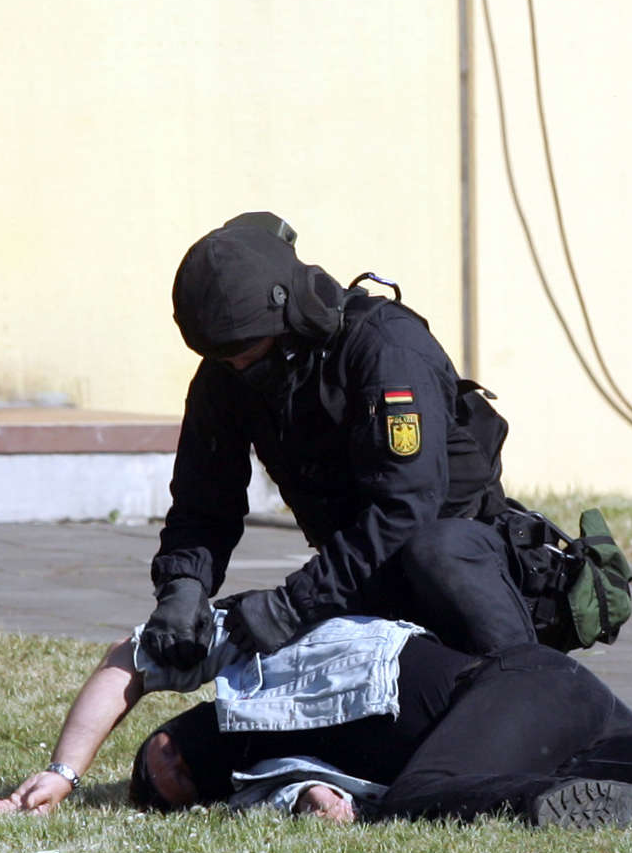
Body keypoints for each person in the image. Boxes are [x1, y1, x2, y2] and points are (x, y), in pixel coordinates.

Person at [0, 612, 632, 827]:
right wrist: (319, 803)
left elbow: (132, 656)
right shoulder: (267, 779)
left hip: (515, 695)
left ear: (177, 727)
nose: (170, 769)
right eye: (173, 789)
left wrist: (66, 772)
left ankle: (567, 803)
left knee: (424, 796)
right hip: (551, 720)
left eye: (160, 757)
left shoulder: (259, 659)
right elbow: (310, 796)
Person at [143, 211, 555, 671]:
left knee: (436, 554)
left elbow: (407, 509)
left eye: (245, 352)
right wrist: (183, 586)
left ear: (289, 316)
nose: (235, 367)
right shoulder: (227, 369)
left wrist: (293, 605)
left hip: (455, 568)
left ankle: (530, 681)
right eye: (221, 356)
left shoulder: (386, 349)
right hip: (359, 573)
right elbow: (204, 500)